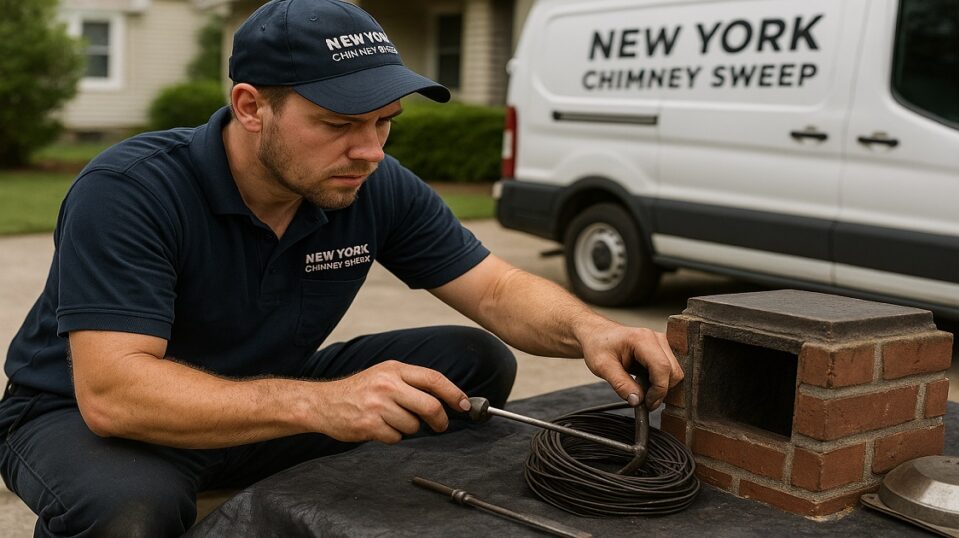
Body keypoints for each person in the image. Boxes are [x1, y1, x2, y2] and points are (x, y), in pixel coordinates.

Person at [0, 1, 682, 535]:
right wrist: (323, 402)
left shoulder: (370, 182)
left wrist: (591, 330)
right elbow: (114, 393)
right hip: (87, 420)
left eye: (385, 122)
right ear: (251, 107)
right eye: (338, 124)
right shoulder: (132, 189)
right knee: (128, 512)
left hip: (261, 401)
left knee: (472, 363)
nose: (370, 150)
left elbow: (498, 289)